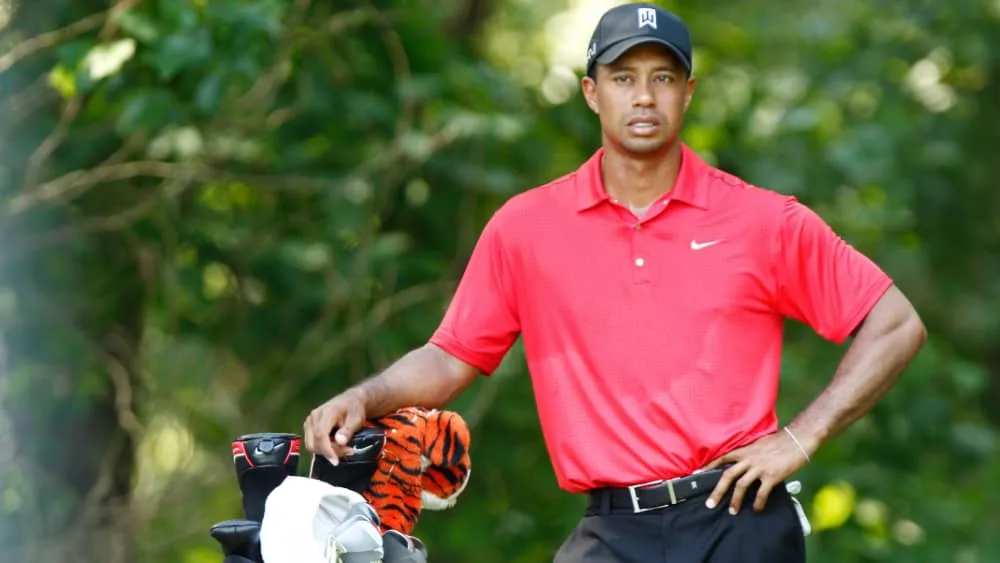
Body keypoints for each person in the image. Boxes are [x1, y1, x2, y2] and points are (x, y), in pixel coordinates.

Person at [303, 3, 927, 561]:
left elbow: (895, 323)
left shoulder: (763, 220)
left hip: (737, 520)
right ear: (591, 93)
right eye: (624, 78)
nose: (644, 98)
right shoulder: (525, 228)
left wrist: (801, 436)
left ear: (688, 92)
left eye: (663, 79)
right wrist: (366, 397)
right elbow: (451, 356)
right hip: (610, 530)